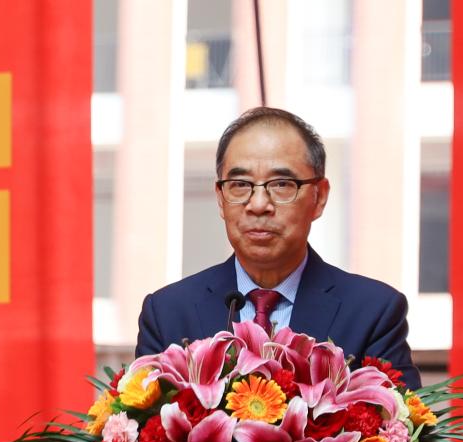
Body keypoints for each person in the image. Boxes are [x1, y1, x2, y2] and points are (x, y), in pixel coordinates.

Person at [135, 106, 421, 389]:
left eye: (282, 184)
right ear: (221, 199)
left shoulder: (372, 312)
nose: (259, 204)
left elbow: (398, 417)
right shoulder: (168, 314)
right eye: (240, 184)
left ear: (319, 197)